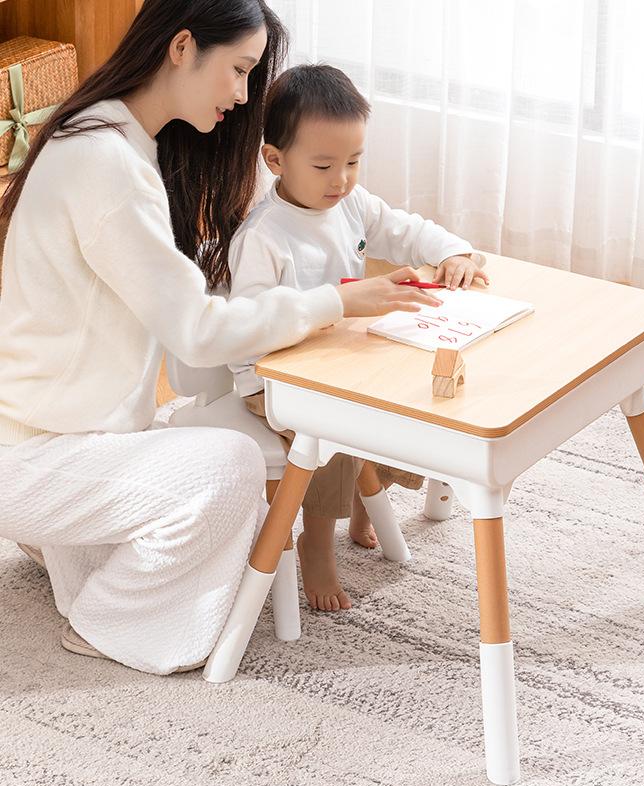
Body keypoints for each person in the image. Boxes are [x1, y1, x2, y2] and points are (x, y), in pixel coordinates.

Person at [0, 0, 442, 675]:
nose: (243, 96)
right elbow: (199, 333)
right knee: (230, 462)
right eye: (238, 70)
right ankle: (106, 624)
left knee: (195, 445)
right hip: (34, 453)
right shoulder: (107, 166)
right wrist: (336, 301)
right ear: (182, 48)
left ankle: (63, 543)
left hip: (67, 434)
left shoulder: (112, 140)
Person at [227, 64, 489, 612]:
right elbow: (248, 327)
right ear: (276, 160)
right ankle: (316, 542)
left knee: (406, 402)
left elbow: (404, 228)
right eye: (323, 165)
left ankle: (371, 500)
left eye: (353, 161)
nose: (341, 179)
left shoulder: (347, 202)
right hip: (272, 377)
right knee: (337, 426)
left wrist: (452, 252)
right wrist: (269, 371)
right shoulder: (263, 236)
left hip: (341, 359)